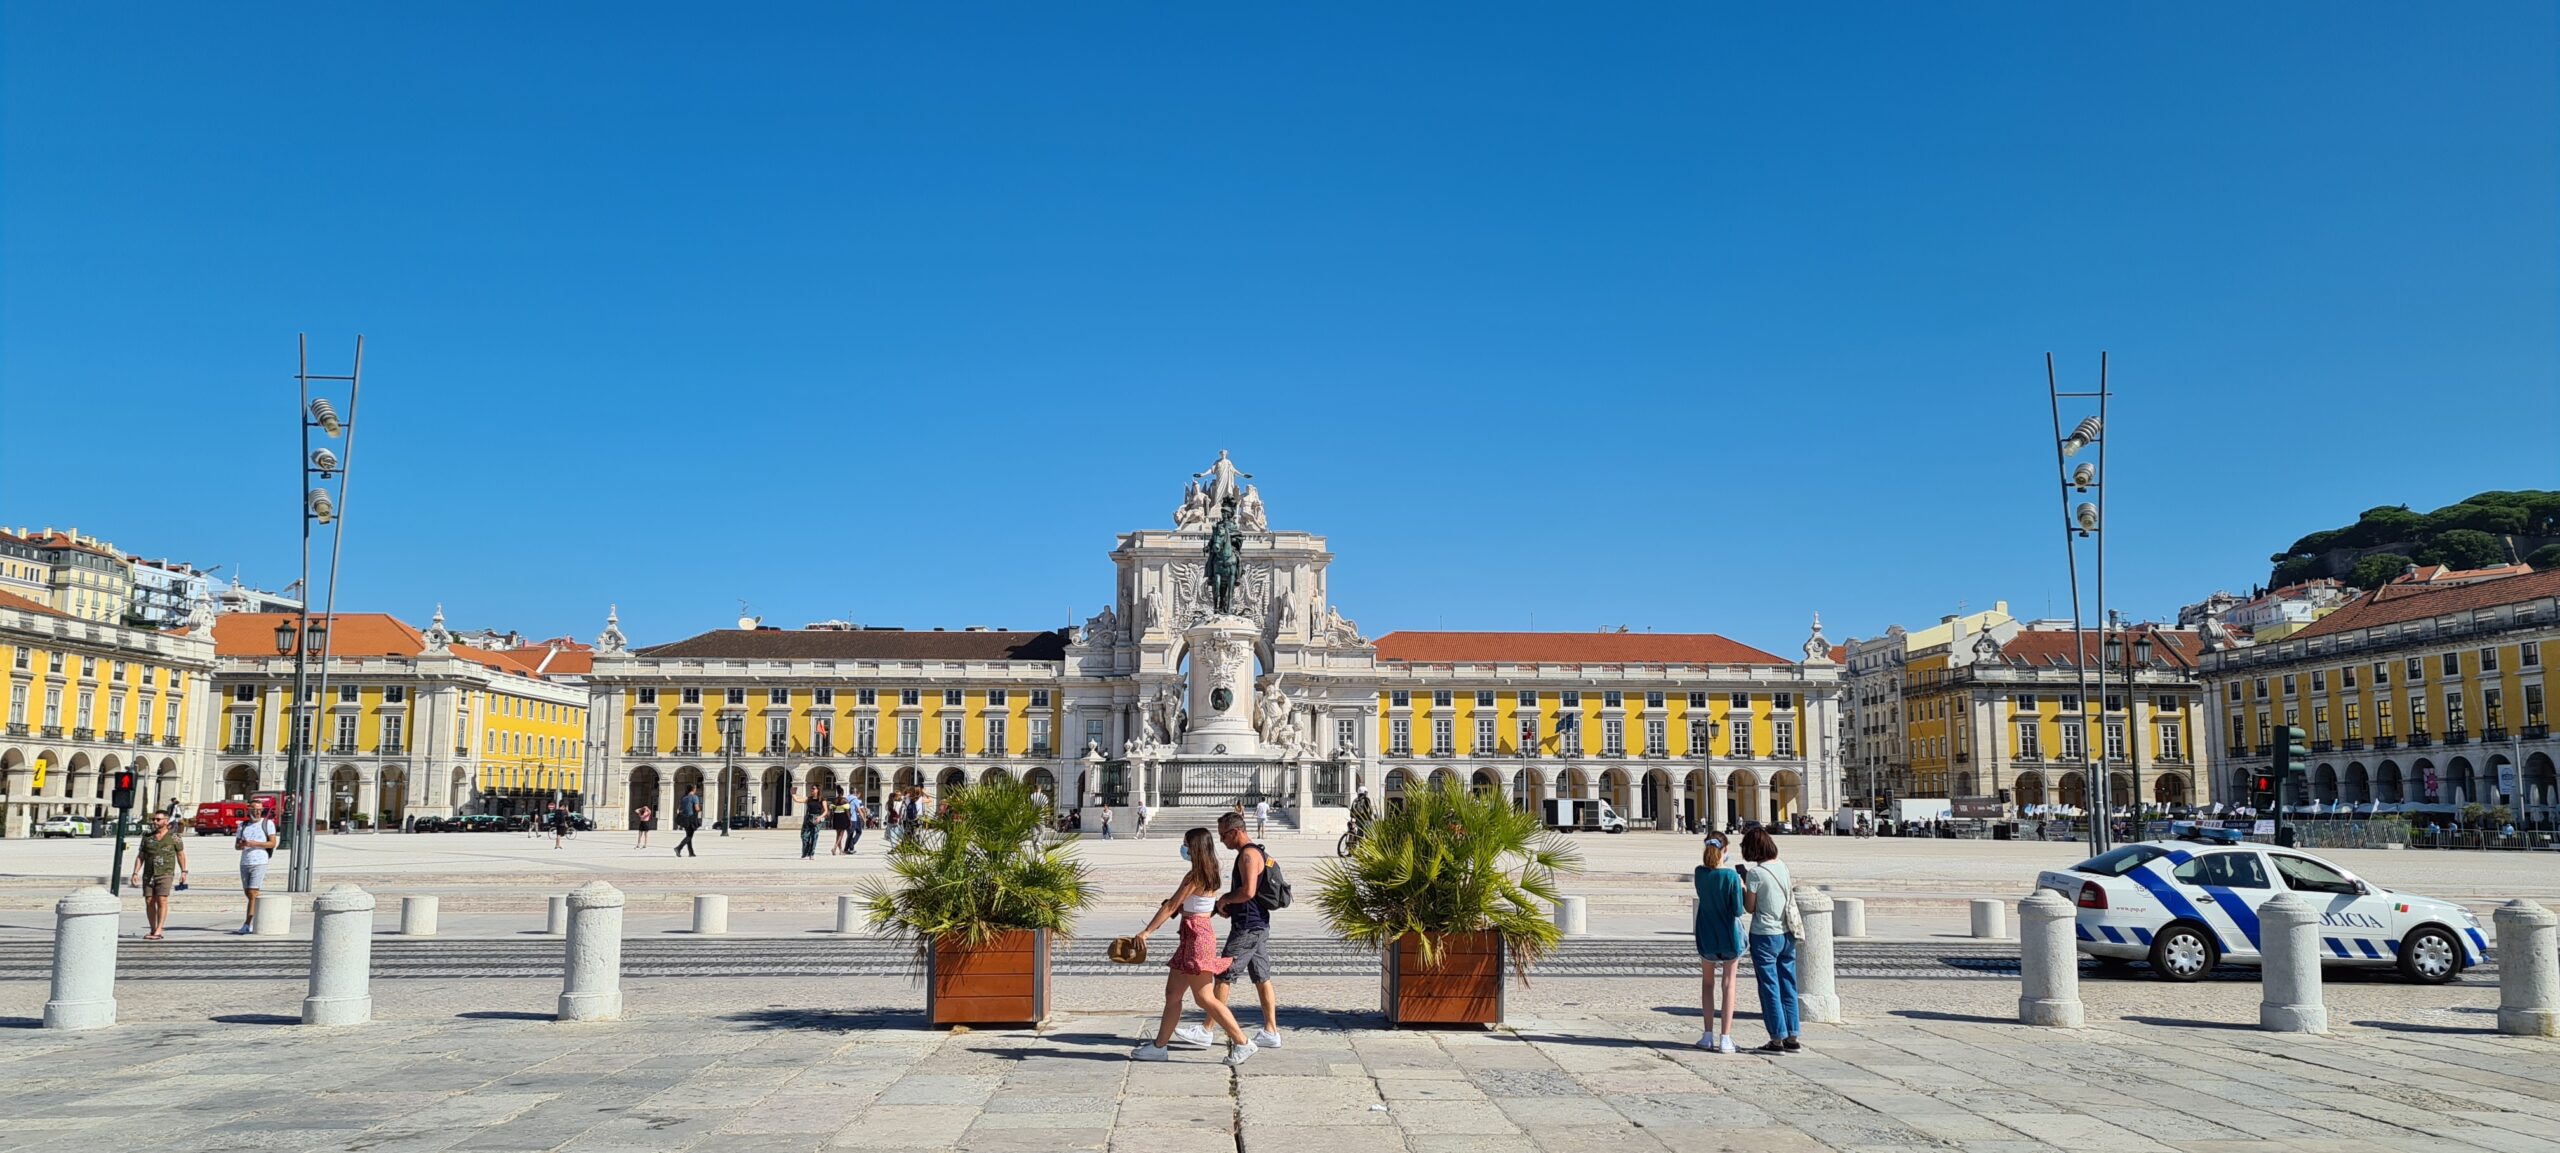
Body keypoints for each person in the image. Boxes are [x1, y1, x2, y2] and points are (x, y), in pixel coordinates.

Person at [1129, 828, 1257, 1066]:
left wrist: (1147, 932)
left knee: (1204, 997)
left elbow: (1171, 906)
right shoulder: (1209, 872)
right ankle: (1159, 1046)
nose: (1184, 847)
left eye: (1186, 843)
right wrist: (1178, 908)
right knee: (1173, 994)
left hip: (1197, 939)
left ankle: (1242, 1042)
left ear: (1195, 847)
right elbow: (1191, 906)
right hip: (1193, 936)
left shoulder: (1196, 876)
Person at [1178, 813, 1284, 1050]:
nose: (1222, 840)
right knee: (1262, 977)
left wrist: (1226, 899)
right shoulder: (1256, 852)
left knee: (1224, 975)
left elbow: (1247, 892)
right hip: (1258, 924)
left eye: (1224, 835)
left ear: (1235, 832)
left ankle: (1207, 1030)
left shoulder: (1247, 855)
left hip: (1247, 927)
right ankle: (1271, 1031)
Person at [1737, 827, 1799, 1054]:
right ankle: (1793, 1036)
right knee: (1788, 985)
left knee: (1769, 987)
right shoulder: (1782, 866)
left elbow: (1750, 907)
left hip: (1765, 935)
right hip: (1787, 934)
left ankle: (1776, 1040)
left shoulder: (1755, 874)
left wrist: (1744, 885)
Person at [1691, 836, 1746, 1052]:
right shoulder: (1732, 876)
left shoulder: (1699, 873)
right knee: (1728, 984)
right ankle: (1725, 1038)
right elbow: (1738, 910)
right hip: (1729, 935)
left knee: (1707, 984)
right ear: (1725, 849)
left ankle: (1707, 1035)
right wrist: (1740, 886)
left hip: (1706, 934)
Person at [129, 808, 189, 941]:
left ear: (166, 821)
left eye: (158, 819)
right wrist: (135, 872)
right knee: (149, 900)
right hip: (149, 874)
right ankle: (152, 928)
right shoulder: (147, 837)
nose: (154, 822)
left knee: (162, 899)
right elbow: (141, 856)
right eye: (153, 819)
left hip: (165, 873)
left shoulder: (174, 837)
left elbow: (180, 855)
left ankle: (159, 929)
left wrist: (184, 871)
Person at [234, 802, 279, 934]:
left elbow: (272, 843)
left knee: (253, 893)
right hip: (245, 861)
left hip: (260, 861)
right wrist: (242, 845)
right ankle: (258, 915)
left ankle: (248, 923)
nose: (258, 812)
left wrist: (255, 844)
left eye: (260, 810)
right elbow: (236, 846)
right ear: (249, 810)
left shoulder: (267, 824)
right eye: (255, 810)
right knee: (248, 893)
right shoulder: (242, 826)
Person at [674, 785, 703, 857]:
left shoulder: (683, 798)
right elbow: (696, 809)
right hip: (691, 818)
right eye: (695, 788)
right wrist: (700, 809)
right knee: (689, 836)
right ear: (693, 789)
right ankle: (678, 848)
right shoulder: (694, 797)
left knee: (688, 835)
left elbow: (680, 809)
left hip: (684, 818)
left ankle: (691, 852)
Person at [800, 784, 825, 859]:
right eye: (811, 788)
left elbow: (826, 811)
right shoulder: (809, 799)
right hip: (808, 818)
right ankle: (805, 851)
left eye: (813, 788)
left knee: (814, 837)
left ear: (818, 790)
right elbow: (798, 800)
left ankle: (811, 854)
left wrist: (820, 817)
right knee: (804, 836)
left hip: (817, 818)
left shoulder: (822, 800)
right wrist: (793, 794)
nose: (812, 790)